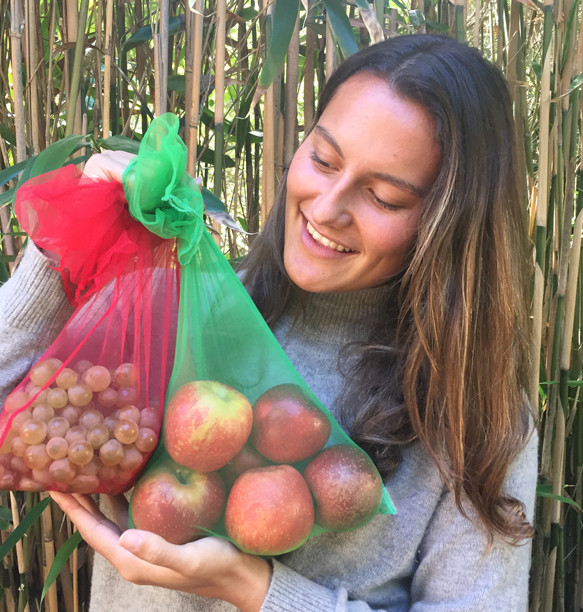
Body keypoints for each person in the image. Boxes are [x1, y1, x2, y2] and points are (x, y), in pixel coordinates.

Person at [0, 33, 538, 611]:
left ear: (448, 226)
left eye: (383, 198)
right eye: (323, 159)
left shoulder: (472, 418)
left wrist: (253, 587)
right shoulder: (183, 309)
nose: (326, 207)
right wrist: (67, 241)